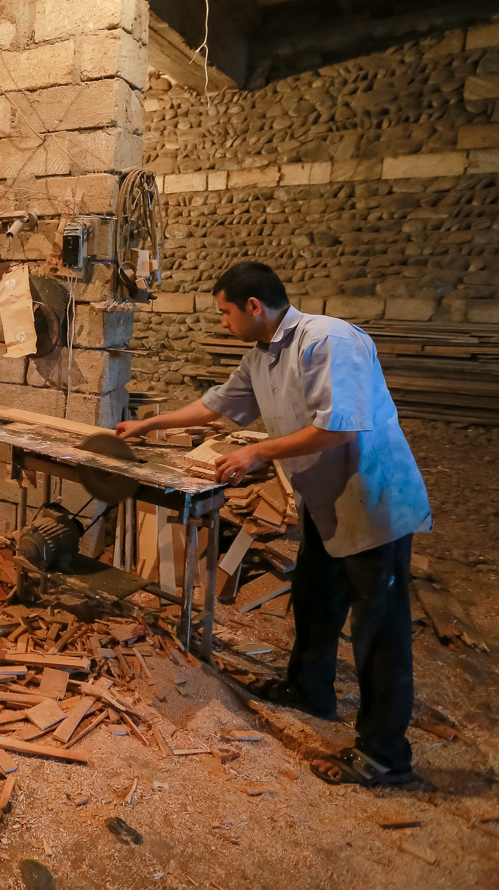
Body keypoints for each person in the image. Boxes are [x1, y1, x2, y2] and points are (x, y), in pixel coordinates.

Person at [115, 262, 431, 787]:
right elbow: (215, 405)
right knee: (314, 598)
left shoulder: (328, 341)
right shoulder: (261, 357)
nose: (222, 323)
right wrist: (148, 422)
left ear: (253, 308)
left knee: (379, 630)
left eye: (224, 313)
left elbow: (340, 427)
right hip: (325, 501)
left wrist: (259, 452)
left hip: (373, 500)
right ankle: (311, 690)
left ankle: (385, 755)